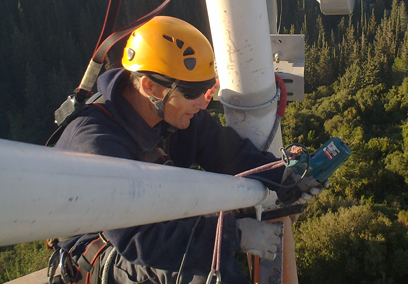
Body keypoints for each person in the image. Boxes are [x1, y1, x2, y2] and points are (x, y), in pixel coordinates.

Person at [53, 16, 325, 284]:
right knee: (204, 272)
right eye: (192, 92)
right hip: (104, 248)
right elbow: (139, 239)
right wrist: (234, 235)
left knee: (218, 243)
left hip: (153, 218)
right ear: (150, 87)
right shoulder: (96, 142)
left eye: (207, 89)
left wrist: (286, 177)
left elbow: (229, 154)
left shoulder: (176, 114)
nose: (202, 104)